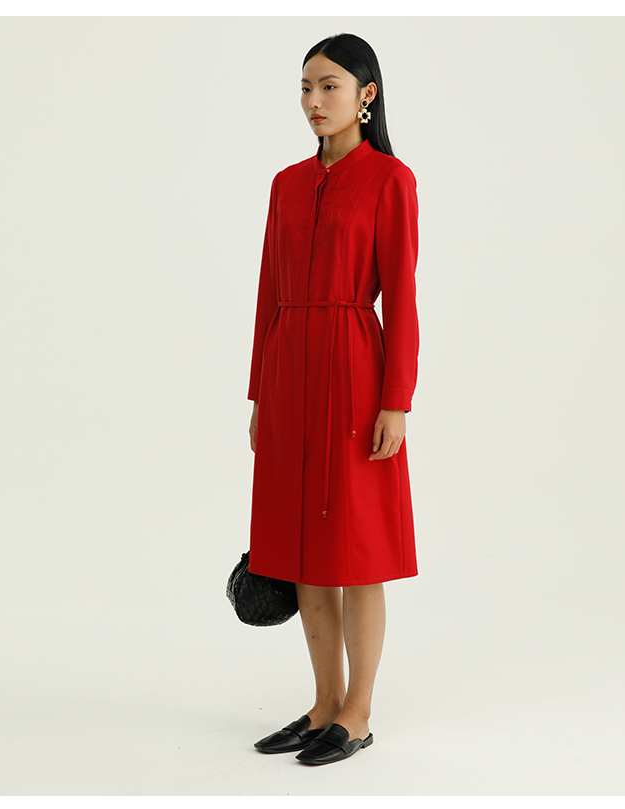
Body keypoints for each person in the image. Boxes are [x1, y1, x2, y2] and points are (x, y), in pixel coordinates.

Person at [246, 32, 420, 766]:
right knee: (301, 548)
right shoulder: (286, 184)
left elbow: (402, 295)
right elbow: (268, 293)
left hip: (354, 371)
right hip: (289, 370)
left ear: (365, 94)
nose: (313, 101)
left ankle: (357, 712)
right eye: (305, 87)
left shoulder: (390, 179)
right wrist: (259, 391)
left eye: (329, 86)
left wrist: (396, 399)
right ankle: (323, 704)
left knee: (356, 549)